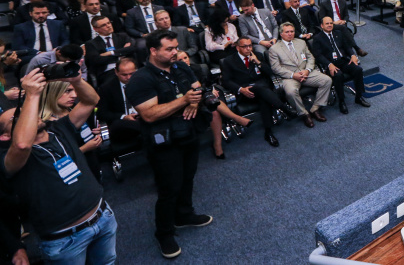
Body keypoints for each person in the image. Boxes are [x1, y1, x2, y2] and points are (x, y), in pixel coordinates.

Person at [0, 68, 117, 264]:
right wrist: (31, 95)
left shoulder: (59, 128)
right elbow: (22, 144)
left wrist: (77, 80)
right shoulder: (8, 157)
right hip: (65, 239)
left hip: (102, 217)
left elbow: (91, 100)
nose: (27, 115)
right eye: (17, 117)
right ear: (4, 136)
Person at [124, 29, 213, 258]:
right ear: (153, 51)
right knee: (169, 188)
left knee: (188, 177)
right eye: (169, 49)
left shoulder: (179, 66)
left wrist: (194, 102)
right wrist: (184, 101)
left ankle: (184, 215)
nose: (176, 52)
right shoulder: (141, 79)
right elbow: (150, 115)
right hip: (164, 142)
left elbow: (196, 86)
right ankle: (164, 233)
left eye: (176, 48)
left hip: (188, 133)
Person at [219, 38, 296, 148]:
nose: (248, 48)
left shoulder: (258, 55)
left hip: (262, 90)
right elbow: (226, 81)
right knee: (262, 91)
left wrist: (258, 62)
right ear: (237, 48)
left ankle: (268, 132)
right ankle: (284, 108)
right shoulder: (228, 61)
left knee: (262, 96)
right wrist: (241, 89)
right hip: (244, 92)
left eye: (250, 46)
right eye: (245, 46)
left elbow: (270, 72)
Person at [268, 23, 333, 127]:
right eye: (287, 32)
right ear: (281, 34)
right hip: (290, 77)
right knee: (291, 92)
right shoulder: (274, 49)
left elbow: (310, 58)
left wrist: (307, 70)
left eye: (292, 31)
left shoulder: (301, 42)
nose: (290, 34)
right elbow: (276, 68)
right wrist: (293, 75)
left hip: (306, 72)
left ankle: (315, 109)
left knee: (327, 80)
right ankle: (304, 114)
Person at [312, 16, 369, 115]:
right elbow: (318, 56)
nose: (330, 25)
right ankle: (342, 101)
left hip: (343, 61)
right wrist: (329, 64)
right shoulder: (317, 38)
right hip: (331, 64)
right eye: (327, 23)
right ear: (322, 26)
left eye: (331, 23)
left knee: (358, 70)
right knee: (338, 75)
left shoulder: (338, 33)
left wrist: (352, 55)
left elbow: (347, 46)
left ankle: (359, 97)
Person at [96, 58, 143, 145]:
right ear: (116, 72)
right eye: (124, 75)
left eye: (132, 74)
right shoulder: (106, 88)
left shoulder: (144, 82)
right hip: (123, 124)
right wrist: (124, 117)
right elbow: (102, 113)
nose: (129, 78)